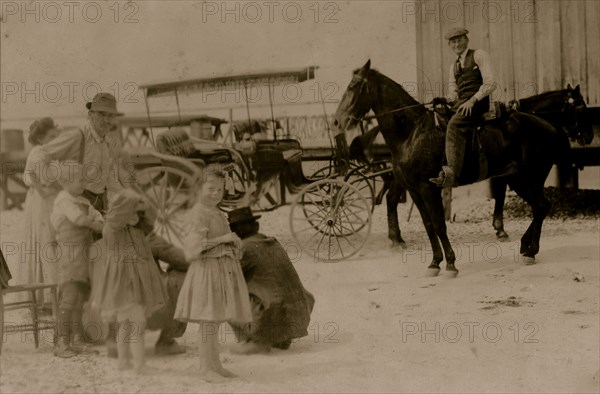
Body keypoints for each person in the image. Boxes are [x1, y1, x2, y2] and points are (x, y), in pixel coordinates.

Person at [174, 167, 252, 382]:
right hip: (206, 271)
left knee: (215, 319)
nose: (216, 194)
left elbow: (222, 239)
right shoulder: (198, 213)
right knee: (208, 321)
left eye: (219, 189)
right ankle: (204, 368)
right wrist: (224, 239)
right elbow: (192, 249)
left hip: (219, 270)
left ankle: (215, 365)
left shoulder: (217, 212)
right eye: (210, 189)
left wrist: (233, 244)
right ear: (198, 188)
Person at [91, 189, 168, 373]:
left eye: (137, 213)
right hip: (125, 283)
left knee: (125, 324)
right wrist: (130, 205)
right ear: (122, 212)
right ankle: (139, 365)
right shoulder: (113, 227)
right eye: (132, 212)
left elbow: (150, 224)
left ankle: (124, 362)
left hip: (129, 283)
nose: (136, 216)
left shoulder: (134, 229)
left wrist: (142, 204)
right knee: (137, 323)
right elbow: (117, 218)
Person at [228, 207, 315, 354]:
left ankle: (257, 340)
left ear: (234, 232)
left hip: (272, 312)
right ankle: (281, 337)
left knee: (225, 292)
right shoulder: (273, 242)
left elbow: (228, 276)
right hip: (301, 311)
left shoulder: (245, 248)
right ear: (256, 226)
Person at [429, 28, 498, 188]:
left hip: (478, 102)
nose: (456, 44)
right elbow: (453, 93)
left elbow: (491, 83)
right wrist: (444, 99)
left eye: (459, 40)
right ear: (449, 45)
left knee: (454, 125)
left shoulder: (479, 55)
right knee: (439, 119)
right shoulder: (453, 66)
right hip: (462, 104)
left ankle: (452, 174)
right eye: (453, 42)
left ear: (466, 40)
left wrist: (473, 100)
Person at [50, 162, 104, 358]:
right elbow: (79, 219)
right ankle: (61, 341)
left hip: (82, 254)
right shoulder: (63, 200)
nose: (83, 183)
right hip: (69, 255)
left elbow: (98, 218)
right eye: (79, 180)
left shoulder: (84, 201)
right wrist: (95, 224)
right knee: (69, 298)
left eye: (84, 179)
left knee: (80, 298)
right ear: (65, 182)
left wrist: (99, 222)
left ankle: (77, 339)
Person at [40, 92, 125, 214]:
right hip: (77, 202)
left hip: (100, 202)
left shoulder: (107, 142)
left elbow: (109, 176)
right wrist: (59, 185)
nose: (107, 120)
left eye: (111, 115)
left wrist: (124, 196)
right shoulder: (78, 136)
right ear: (90, 115)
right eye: (101, 114)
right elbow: (41, 155)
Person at [19, 118, 62, 308]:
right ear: (41, 138)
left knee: (54, 238)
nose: (55, 139)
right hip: (43, 200)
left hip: (48, 197)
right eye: (51, 136)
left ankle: (55, 292)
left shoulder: (46, 151)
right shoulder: (38, 153)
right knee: (46, 239)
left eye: (56, 136)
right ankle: (47, 295)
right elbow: (43, 179)